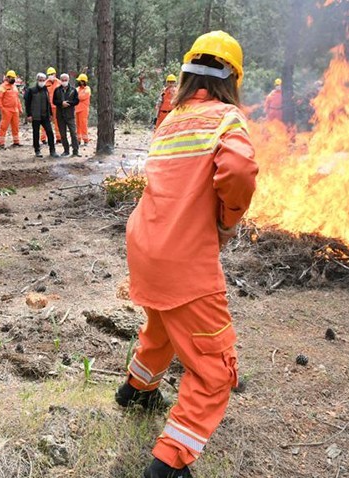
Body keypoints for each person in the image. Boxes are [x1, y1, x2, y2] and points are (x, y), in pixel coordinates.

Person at [116, 31, 258, 478]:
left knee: (161, 324)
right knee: (215, 367)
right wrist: (228, 218)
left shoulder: (172, 118)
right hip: (184, 258)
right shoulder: (226, 118)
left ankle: (137, 390)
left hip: (145, 246)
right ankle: (170, 462)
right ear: (232, 78)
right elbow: (237, 170)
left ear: (187, 74)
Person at [24, 72, 57, 158]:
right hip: (35, 116)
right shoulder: (31, 90)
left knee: (50, 132)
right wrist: (29, 115)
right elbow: (27, 103)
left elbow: (48, 102)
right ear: (37, 80)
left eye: (43, 80)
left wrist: (50, 114)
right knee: (36, 133)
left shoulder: (45, 89)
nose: (42, 81)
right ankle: (37, 150)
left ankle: (52, 150)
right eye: (40, 80)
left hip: (45, 115)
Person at [52, 73, 80, 157]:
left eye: (65, 80)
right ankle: (66, 150)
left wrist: (69, 103)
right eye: (62, 80)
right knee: (62, 134)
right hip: (60, 115)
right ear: (60, 80)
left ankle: (75, 151)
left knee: (73, 133)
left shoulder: (73, 90)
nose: (64, 81)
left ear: (68, 80)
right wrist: (61, 103)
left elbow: (76, 101)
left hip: (70, 115)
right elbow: (54, 101)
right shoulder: (57, 90)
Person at [0, 70, 22, 148]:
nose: (13, 79)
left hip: (15, 110)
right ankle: (1, 143)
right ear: (7, 78)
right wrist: (2, 108)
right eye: (12, 77)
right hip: (6, 110)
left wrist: (20, 108)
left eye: (14, 77)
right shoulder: (2, 87)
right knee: (3, 127)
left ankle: (16, 142)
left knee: (15, 127)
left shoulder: (14, 87)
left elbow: (17, 99)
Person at [40, 67, 61, 144]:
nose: (50, 76)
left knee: (57, 122)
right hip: (47, 107)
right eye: (49, 74)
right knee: (45, 123)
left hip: (56, 106)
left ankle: (59, 138)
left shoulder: (59, 83)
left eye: (52, 74)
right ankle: (43, 138)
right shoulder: (45, 84)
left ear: (55, 74)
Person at [75, 73, 92, 146]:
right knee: (77, 125)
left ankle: (85, 140)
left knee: (83, 125)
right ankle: (78, 140)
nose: (80, 82)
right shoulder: (77, 89)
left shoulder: (87, 89)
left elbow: (82, 96)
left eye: (81, 81)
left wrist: (77, 97)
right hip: (77, 109)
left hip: (84, 109)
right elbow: (73, 96)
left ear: (84, 81)